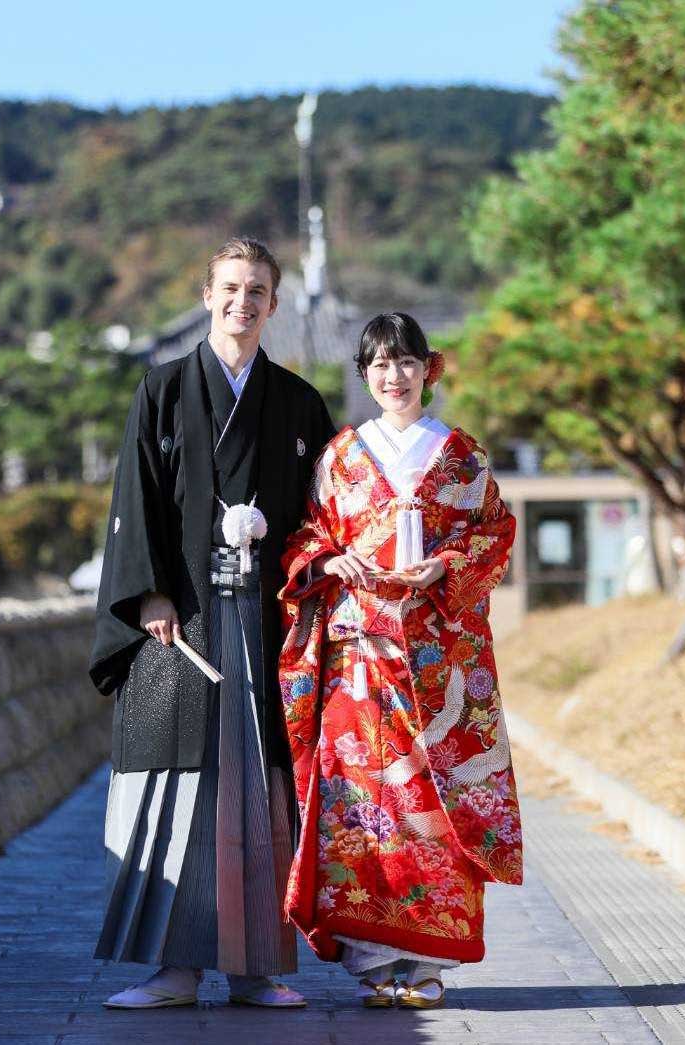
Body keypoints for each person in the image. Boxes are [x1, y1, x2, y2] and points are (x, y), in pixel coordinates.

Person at [89, 237, 335, 1009]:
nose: (242, 302)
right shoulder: (160, 390)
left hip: (264, 620)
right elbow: (134, 503)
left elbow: (328, 516)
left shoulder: (296, 402)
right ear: (206, 297)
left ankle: (257, 965)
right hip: (180, 622)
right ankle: (174, 968)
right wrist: (150, 594)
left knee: (260, 789)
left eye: (257, 289)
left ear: (273, 302)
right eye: (229, 287)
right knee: (177, 786)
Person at [278, 312, 522, 1009]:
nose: (393, 375)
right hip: (359, 656)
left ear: (428, 368)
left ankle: (426, 962)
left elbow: (494, 533)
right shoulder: (339, 456)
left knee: (431, 801)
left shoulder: (461, 454)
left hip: (436, 657)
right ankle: (374, 961)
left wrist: (443, 564)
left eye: (406, 361)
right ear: (364, 375)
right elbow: (305, 536)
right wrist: (330, 556)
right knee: (359, 800)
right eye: (379, 364)